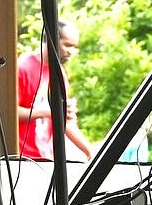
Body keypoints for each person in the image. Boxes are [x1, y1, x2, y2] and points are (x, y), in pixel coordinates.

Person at [16, 20, 94, 161]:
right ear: (51, 40)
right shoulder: (23, 67)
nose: (71, 52)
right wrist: (48, 111)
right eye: (67, 45)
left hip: (47, 158)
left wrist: (90, 152)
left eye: (74, 47)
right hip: (23, 159)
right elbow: (10, 113)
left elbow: (66, 121)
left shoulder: (60, 73)